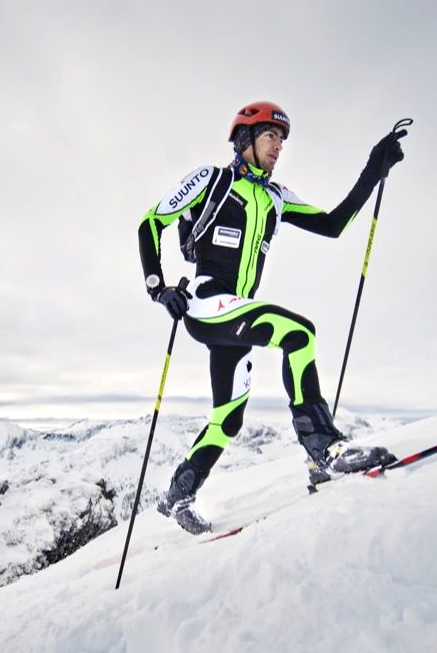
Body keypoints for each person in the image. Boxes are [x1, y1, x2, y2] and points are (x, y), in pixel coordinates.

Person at [138, 100, 404, 534]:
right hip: (207, 303)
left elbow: (333, 224)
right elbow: (150, 223)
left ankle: (178, 493)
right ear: (244, 139)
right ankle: (325, 451)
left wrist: (375, 169)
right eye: (270, 137)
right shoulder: (212, 180)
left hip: (235, 315)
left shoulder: (277, 198)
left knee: (229, 419)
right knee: (299, 333)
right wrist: (158, 287)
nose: (278, 147)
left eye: (282, 140)